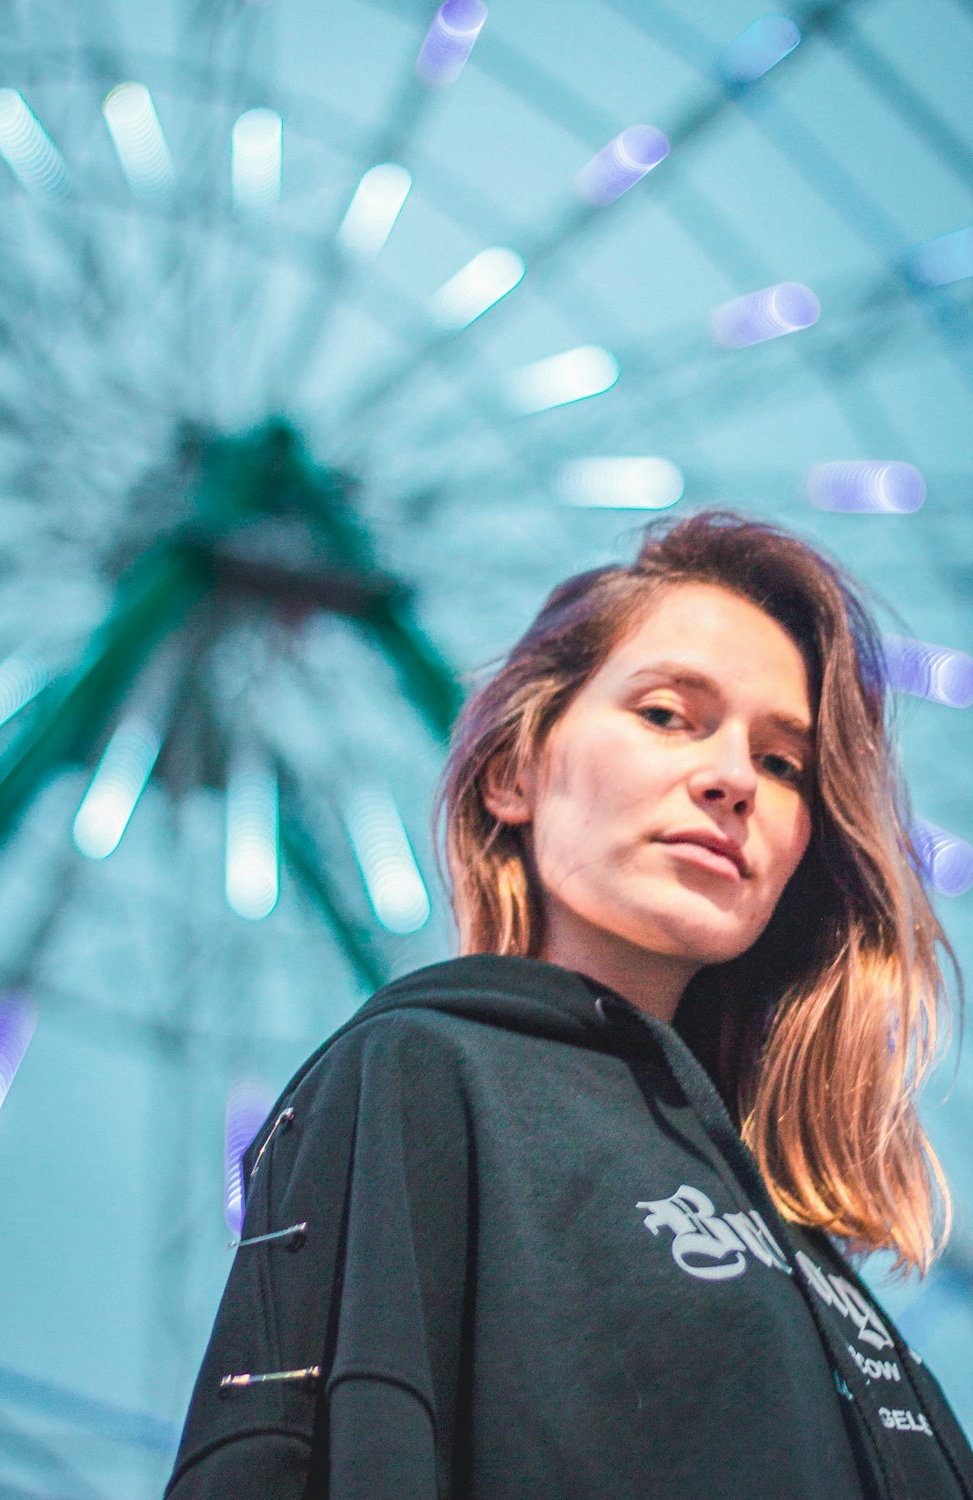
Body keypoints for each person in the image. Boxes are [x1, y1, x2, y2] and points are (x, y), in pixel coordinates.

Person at [165, 510, 973, 1499]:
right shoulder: (421, 1073)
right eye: (668, 715)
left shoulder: (803, 1242)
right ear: (514, 773)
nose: (731, 781)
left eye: (781, 764)